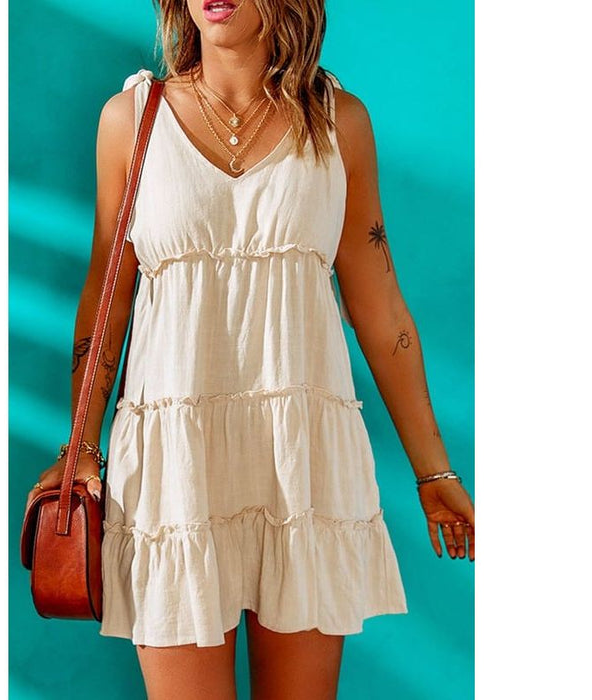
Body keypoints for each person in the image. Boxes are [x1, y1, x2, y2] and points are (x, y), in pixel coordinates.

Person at [27, 1, 475, 697]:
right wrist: (80, 443)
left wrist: (433, 472)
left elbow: (380, 306)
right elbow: (106, 294)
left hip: (303, 461)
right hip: (174, 464)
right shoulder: (131, 120)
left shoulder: (338, 122)